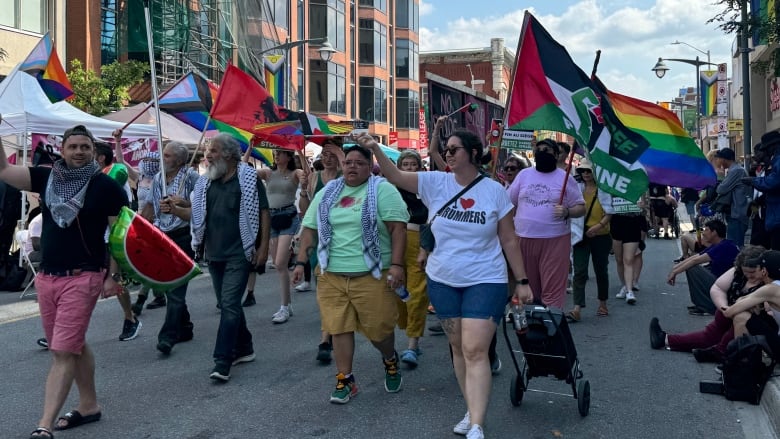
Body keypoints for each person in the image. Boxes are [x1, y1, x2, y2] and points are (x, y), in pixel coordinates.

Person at [360, 131, 533, 439]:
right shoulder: (434, 182)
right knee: (457, 348)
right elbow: (395, 175)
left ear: (474, 152)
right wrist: (374, 148)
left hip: (486, 279)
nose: (448, 153)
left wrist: (521, 280)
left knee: (475, 349)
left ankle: (478, 423)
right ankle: (471, 408)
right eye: (445, 149)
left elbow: (508, 239)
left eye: (454, 149)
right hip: (443, 281)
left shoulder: (495, 191)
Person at [0, 123, 128, 439]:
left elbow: (118, 235)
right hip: (47, 278)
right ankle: (89, 405)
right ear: (63, 149)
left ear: (94, 151)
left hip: (83, 276)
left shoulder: (106, 187)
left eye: (85, 147)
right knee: (73, 344)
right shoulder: (46, 177)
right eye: (73, 146)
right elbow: (4, 171)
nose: (79, 152)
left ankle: (43, 424)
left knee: (62, 351)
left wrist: (113, 275)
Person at [291, 144, 408, 405]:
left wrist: (398, 266)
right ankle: (345, 379)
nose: (352, 166)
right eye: (348, 163)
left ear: (370, 167)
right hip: (331, 274)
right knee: (338, 327)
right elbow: (309, 227)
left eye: (359, 162)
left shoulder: (382, 190)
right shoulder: (329, 192)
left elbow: (397, 230)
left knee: (379, 331)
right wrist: (300, 262)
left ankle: (389, 359)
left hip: (372, 274)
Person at [191, 134, 270, 382]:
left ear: (227, 154)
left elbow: (264, 213)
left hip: (240, 253)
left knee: (228, 305)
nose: (207, 156)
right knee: (230, 304)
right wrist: (175, 208)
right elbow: (196, 216)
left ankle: (222, 360)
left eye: (212, 151)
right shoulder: (206, 183)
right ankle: (245, 348)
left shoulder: (248, 180)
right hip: (213, 254)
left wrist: (264, 248)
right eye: (207, 151)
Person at [137, 137, 200, 355]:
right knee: (170, 286)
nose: (163, 159)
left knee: (176, 288)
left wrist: (182, 204)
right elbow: (150, 207)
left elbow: (201, 206)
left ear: (181, 160)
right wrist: (138, 228)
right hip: (163, 237)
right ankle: (185, 327)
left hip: (184, 236)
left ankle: (167, 337)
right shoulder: (157, 178)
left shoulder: (191, 177)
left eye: (168, 155)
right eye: (163, 154)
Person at [649, 245, 765, 363]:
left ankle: (720, 351)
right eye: (746, 272)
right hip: (728, 313)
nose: (749, 275)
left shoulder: (769, 281)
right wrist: (724, 307)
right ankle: (665, 339)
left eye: (752, 272)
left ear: (763, 269)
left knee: (739, 319)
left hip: (749, 321)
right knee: (708, 337)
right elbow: (717, 288)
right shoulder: (737, 271)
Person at [507, 139, 585, 310]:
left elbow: (580, 207)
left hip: (555, 241)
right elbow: (508, 204)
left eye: (547, 150)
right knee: (529, 290)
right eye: (539, 149)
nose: (542, 152)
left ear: (556, 155)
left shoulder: (566, 179)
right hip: (524, 239)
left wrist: (567, 211)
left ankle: (550, 327)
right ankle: (532, 328)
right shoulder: (524, 175)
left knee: (552, 290)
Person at [94, 141, 141, 341]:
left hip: (114, 235)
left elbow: (99, 194)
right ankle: (61, 329)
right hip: (95, 236)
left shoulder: (116, 171)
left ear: (100, 157)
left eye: (89, 151)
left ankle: (130, 318)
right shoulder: (93, 176)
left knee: (116, 278)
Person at [253, 149, 307, 323]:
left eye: (280, 153)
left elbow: (305, 173)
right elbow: (244, 171)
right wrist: (249, 147)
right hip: (271, 218)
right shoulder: (268, 173)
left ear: (289, 157)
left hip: (288, 216)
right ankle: (287, 305)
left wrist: (300, 151)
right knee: (278, 265)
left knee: (280, 263)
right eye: (275, 153)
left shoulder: (294, 173)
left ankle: (284, 307)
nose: (276, 155)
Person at [393, 150, 430, 368]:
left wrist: (427, 246)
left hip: (419, 240)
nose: (409, 168)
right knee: (398, 292)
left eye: (413, 164)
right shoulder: (391, 189)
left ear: (419, 167)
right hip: (396, 240)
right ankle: (409, 329)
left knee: (417, 294)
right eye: (405, 164)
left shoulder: (427, 188)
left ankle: (412, 344)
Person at [567, 159, 613, 321]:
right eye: (583, 171)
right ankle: (577, 307)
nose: (585, 174)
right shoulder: (576, 189)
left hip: (600, 235)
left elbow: (609, 213)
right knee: (579, 271)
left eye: (589, 171)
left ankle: (603, 303)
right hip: (581, 235)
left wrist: (598, 226)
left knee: (601, 270)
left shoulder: (603, 191)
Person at [667, 219, 740, 316]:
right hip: (719, 279)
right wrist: (674, 269)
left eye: (706, 230)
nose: (703, 233)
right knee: (691, 266)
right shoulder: (718, 244)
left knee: (692, 268)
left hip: (725, 284)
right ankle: (701, 303)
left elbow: (695, 261)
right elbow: (695, 257)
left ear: (714, 232)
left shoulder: (724, 246)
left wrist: (675, 272)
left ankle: (706, 306)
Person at [722, 250, 780, 356]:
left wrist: (741, 305)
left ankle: (742, 362)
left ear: (764, 271)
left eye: (758, 267)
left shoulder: (770, 289)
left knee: (741, 316)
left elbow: (728, 312)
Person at [129, 150, 167, 313]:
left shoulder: (162, 181)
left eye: (151, 160)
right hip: (141, 221)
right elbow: (122, 161)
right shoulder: (140, 178)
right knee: (149, 261)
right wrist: (117, 142)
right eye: (145, 159)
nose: (147, 162)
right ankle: (159, 296)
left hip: (156, 223)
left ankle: (140, 299)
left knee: (150, 262)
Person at [742, 130, 780, 250]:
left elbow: (771, 183)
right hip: (764, 213)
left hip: (772, 215)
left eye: (759, 152)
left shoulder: (775, 163)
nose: (755, 156)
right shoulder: (767, 166)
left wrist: (753, 180)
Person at [610, 196, 646, 304]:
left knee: (628, 259)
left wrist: (642, 206)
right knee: (619, 259)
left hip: (633, 221)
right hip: (616, 222)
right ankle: (625, 285)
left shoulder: (639, 183)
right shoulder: (613, 183)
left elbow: (644, 206)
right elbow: (606, 202)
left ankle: (630, 291)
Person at [713, 147, 750, 247]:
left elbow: (721, 189)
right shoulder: (735, 170)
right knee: (734, 244)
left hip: (737, 214)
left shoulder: (736, 171)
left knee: (734, 245)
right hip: (735, 213)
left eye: (719, 159)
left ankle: (737, 263)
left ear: (724, 159)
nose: (718, 162)